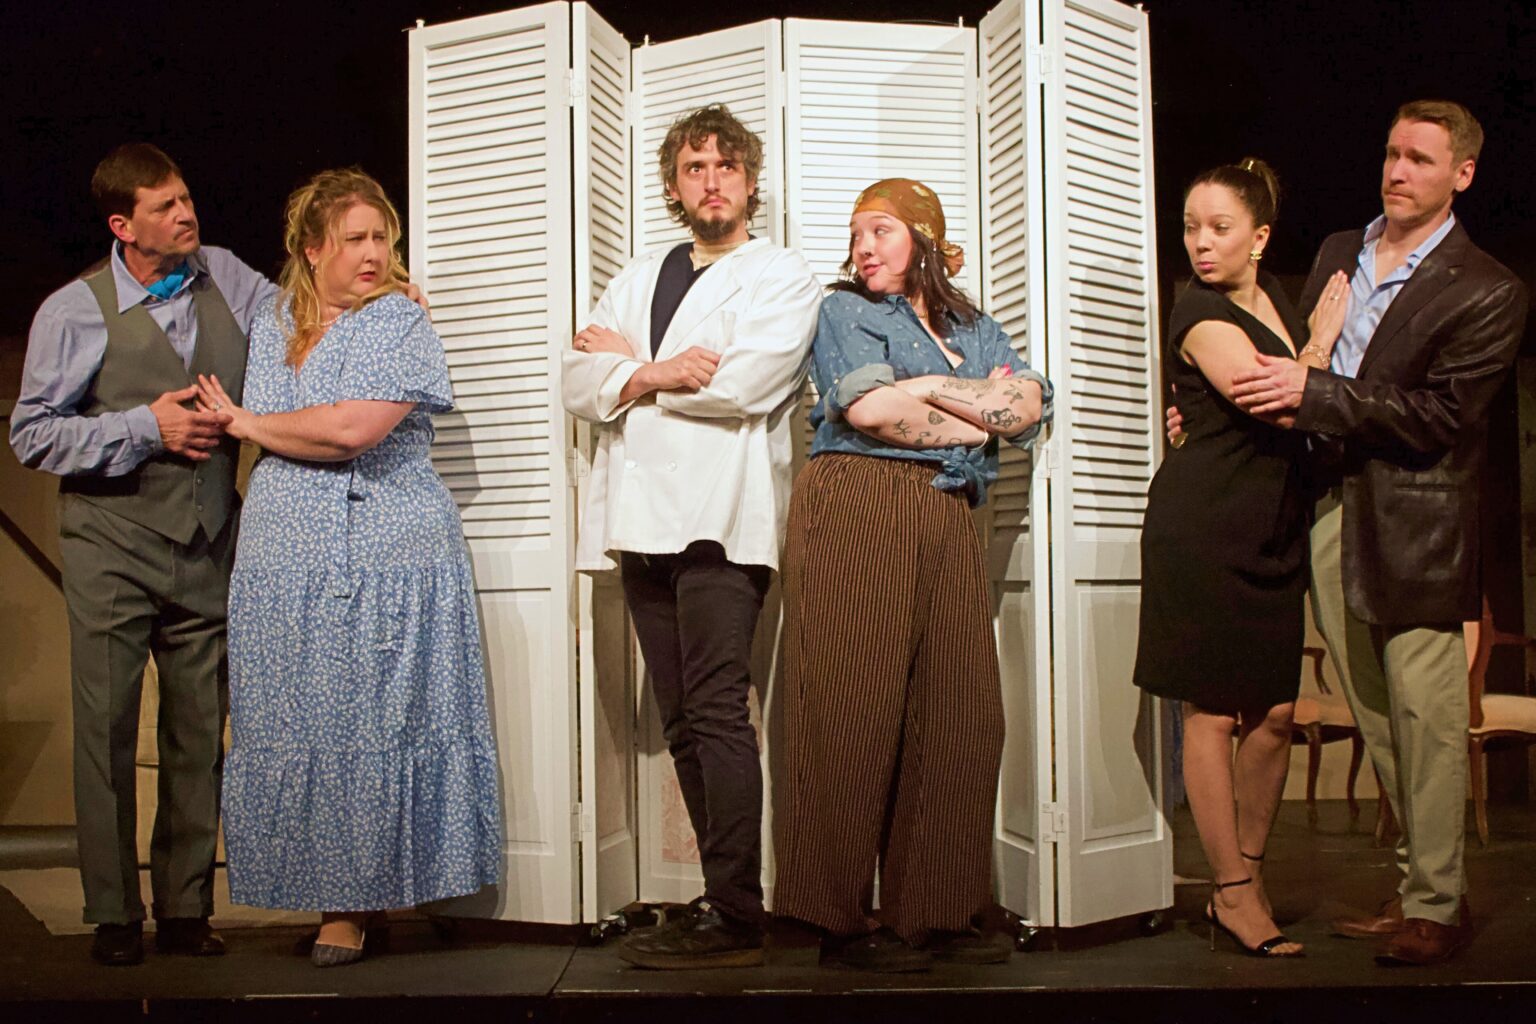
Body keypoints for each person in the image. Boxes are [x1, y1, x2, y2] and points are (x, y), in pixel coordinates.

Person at [1223, 101, 1528, 966]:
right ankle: (1414, 886)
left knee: (1425, 716)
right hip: (1329, 502)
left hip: (1417, 516)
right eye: (1392, 153)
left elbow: (1441, 416)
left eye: (1422, 160)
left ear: (1461, 174)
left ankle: (1440, 901)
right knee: (1374, 712)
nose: (1399, 171)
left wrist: (1312, 397)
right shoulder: (1336, 252)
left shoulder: (1488, 288)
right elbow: (1294, 350)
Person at [195, 168, 501, 967]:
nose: (374, 254)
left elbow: (349, 429)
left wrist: (249, 422)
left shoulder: (400, 319)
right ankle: (330, 890)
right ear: (311, 249)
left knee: (374, 720)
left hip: (385, 551)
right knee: (296, 722)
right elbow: (289, 425)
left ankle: (359, 904)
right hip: (283, 554)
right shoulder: (273, 322)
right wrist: (259, 424)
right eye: (356, 240)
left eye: (382, 239)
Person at [561, 104, 821, 969]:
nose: (711, 181)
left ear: (749, 180)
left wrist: (630, 371)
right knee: (679, 721)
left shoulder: (782, 274)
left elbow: (745, 384)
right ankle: (723, 896)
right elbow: (574, 378)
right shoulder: (640, 273)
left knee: (717, 714)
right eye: (693, 168)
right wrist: (660, 367)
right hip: (640, 528)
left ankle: (739, 912)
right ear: (675, 185)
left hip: (721, 521)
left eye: (724, 166)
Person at [772, 178, 1051, 972]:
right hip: (857, 501)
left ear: (924, 239)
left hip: (947, 513)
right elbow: (870, 414)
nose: (863, 246)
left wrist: (925, 389)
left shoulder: (974, 323)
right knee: (852, 710)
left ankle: (931, 911)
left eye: (882, 230)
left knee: (963, 713)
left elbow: (1028, 407)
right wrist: (967, 408)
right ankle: (837, 920)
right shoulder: (843, 311)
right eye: (857, 233)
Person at [10, 143, 276, 965]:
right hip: (113, 541)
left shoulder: (226, 275)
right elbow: (32, 432)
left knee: (199, 732)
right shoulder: (73, 309)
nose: (185, 215)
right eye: (164, 207)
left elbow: (303, 319)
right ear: (124, 225)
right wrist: (143, 427)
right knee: (109, 727)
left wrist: (382, 301)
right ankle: (116, 913)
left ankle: (188, 908)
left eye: (187, 198)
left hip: (205, 537)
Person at [1137, 159, 1348, 959]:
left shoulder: (1271, 302)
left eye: (1219, 227)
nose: (1200, 242)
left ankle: (1247, 875)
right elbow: (1272, 395)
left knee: (1277, 716)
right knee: (1213, 712)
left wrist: (1310, 350)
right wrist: (1321, 348)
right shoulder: (1197, 309)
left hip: (1270, 528)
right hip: (1206, 525)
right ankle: (1229, 891)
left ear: (1259, 237)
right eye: (1191, 227)